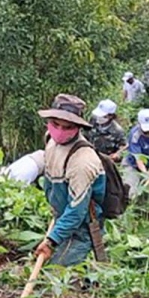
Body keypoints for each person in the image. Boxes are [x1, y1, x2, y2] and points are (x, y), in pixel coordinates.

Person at [34, 94, 107, 267]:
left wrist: (51, 241)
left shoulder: (82, 161)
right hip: (62, 219)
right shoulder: (51, 142)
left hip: (81, 229)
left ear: (77, 127)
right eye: (56, 124)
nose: (59, 130)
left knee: (56, 274)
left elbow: (77, 211)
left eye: (67, 127)